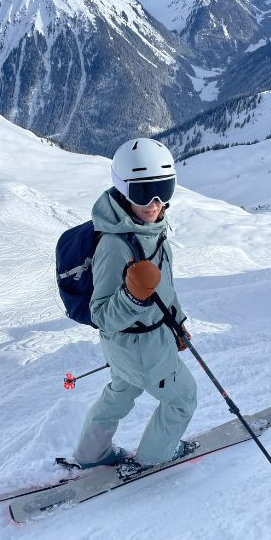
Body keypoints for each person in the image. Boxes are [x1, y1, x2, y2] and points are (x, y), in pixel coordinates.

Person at [70, 138, 198, 474]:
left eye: (164, 190)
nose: (155, 203)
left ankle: (91, 453)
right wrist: (132, 296)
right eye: (144, 193)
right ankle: (156, 457)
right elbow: (102, 315)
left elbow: (164, 288)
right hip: (143, 346)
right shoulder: (115, 245)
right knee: (182, 398)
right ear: (123, 189)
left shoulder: (148, 229)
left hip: (131, 347)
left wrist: (178, 323)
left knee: (121, 392)